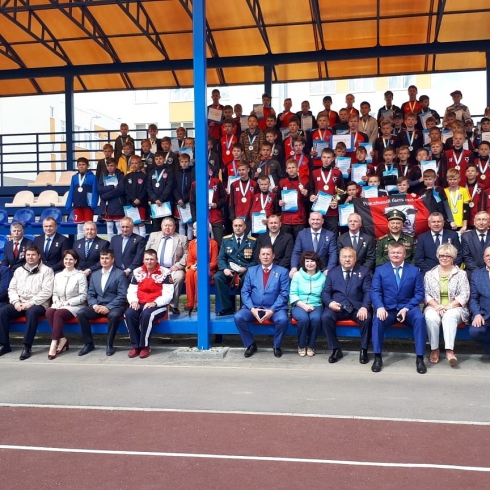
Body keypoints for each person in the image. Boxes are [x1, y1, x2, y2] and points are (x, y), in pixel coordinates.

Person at [371, 242, 427, 374]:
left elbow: (419, 294)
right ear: (388, 254)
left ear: (404, 254)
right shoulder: (380, 270)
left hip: (408, 309)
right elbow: (375, 291)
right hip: (388, 309)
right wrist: (380, 307)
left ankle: (420, 358)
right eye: (393, 252)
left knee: (419, 319)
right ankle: (377, 357)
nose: (395, 255)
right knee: (377, 320)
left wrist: (407, 308)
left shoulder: (414, 270)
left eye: (399, 252)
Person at [234, 245, 289, 358]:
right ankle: (250, 344)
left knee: (283, 320)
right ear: (259, 256)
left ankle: (276, 345)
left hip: (275, 308)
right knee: (238, 317)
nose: (265, 257)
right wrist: (252, 309)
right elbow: (245, 292)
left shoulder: (282, 272)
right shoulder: (251, 271)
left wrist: (272, 310)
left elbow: (284, 294)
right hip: (254, 307)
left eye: (268, 254)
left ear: (273, 256)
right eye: (263, 254)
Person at [0, 245, 54, 360]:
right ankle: (4, 345)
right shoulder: (19, 270)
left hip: (38, 304)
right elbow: (12, 289)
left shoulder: (47, 271)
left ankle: (27, 346)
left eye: (33, 255)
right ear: (25, 256)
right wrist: (15, 302)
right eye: (28, 255)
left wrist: (30, 303)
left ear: (39, 256)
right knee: (3, 311)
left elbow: (47, 292)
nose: (30, 257)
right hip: (20, 303)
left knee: (32, 312)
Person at [321, 247, 372, 364]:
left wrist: (365, 307)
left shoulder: (364, 272)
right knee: (325, 317)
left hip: (357, 307)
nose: (347, 259)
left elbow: (368, 291)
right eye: (344, 257)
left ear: (355, 258)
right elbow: (325, 292)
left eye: (350, 257)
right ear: (340, 259)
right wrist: (330, 303)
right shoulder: (332, 272)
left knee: (367, 319)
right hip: (337, 306)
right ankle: (335, 349)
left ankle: (364, 350)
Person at [423, 243, 469, 367]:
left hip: (455, 307)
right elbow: (426, 294)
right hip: (434, 306)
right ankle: (434, 349)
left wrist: (448, 306)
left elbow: (464, 294)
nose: (444, 258)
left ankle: (449, 350)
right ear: (438, 256)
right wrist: (437, 306)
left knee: (449, 316)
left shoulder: (461, 274)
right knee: (431, 317)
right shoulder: (429, 274)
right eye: (441, 255)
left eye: (448, 256)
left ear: (453, 258)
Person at [77, 249, 128, 357]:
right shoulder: (95, 275)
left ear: (113, 260)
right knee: (81, 313)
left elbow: (122, 295)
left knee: (114, 315)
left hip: (114, 306)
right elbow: (90, 294)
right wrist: (95, 305)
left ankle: (109, 344)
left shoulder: (120, 274)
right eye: (102, 258)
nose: (104, 260)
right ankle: (88, 344)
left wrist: (108, 307)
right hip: (98, 305)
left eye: (107, 258)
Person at [125, 249, 174, 359]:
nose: (149, 262)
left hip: (158, 305)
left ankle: (145, 346)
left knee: (147, 315)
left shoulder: (165, 273)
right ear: (143, 260)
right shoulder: (137, 272)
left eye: (152, 259)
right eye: (147, 259)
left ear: (157, 260)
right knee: (129, 313)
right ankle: (135, 346)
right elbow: (131, 290)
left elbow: (168, 294)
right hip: (140, 303)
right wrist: (133, 301)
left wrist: (155, 303)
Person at [45, 249, 88, 360]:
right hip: (59, 304)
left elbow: (83, 296)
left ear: (75, 261)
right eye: (66, 259)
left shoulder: (80, 276)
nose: (68, 261)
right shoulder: (58, 275)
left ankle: (54, 343)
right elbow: (54, 293)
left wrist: (68, 302)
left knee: (58, 313)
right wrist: (56, 301)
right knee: (49, 312)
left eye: (71, 259)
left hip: (74, 305)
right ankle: (62, 339)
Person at [213, 218, 258, 316]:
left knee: (248, 278)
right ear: (232, 227)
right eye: (235, 225)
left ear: (245, 227)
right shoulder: (226, 240)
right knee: (217, 277)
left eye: (240, 225)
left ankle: (244, 307)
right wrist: (225, 269)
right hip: (230, 269)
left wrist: (246, 268)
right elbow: (221, 258)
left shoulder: (253, 241)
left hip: (245, 270)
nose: (238, 228)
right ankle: (227, 307)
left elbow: (256, 261)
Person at [146, 217, 188, 315]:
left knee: (179, 277)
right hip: (155, 267)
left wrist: (178, 265)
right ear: (161, 226)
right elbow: (147, 251)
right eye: (165, 225)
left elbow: (187, 254)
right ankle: (153, 303)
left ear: (174, 227)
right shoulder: (153, 236)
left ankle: (173, 305)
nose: (167, 228)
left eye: (170, 226)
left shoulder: (182, 238)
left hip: (174, 268)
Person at [290, 251, 325, 357]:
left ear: (317, 263)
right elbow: (292, 294)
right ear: (303, 262)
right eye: (307, 261)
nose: (310, 263)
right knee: (304, 319)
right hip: (299, 304)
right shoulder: (297, 276)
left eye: (312, 261)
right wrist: (304, 305)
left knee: (316, 319)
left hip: (316, 305)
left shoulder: (323, 277)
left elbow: (325, 294)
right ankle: (301, 345)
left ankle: (311, 345)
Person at [290, 211, 338, 278]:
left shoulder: (330, 235)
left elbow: (333, 254)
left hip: (323, 271)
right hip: (305, 271)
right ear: (309, 221)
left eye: (318, 219)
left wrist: (329, 269)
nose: (315, 222)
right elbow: (296, 252)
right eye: (313, 219)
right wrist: (294, 268)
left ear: (322, 221)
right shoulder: (301, 234)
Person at [184, 223, 218, 314]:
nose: (193, 231)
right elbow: (189, 260)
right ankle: (190, 303)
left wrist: (202, 267)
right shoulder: (192, 243)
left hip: (209, 269)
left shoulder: (213, 243)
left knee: (198, 274)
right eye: (194, 228)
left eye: (195, 229)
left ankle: (199, 303)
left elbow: (214, 262)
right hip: (195, 267)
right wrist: (191, 266)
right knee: (189, 273)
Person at [65, 156, 99, 238]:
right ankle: (80, 243)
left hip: (88, 206)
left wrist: (94, 204)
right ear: (77, 166)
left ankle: (90, 241)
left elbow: (95, 191)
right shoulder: (74, 177)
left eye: (83, 164)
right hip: (77, 205)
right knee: (79, 225)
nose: (81, 166)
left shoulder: (93, 177)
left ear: (88, 166)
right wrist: (68, 204)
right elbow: (71, 191)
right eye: (79, 165)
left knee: (89, 226)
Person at [469, 246, 490, 355]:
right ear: (484, 258)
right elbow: (473, 298)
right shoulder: (476, 275)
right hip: (484, 316)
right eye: (487, 255)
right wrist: (477, 314)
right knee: (474, 332)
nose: (489, 258)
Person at [461, 211, 490, 277]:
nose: (481, 222)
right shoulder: (466, 237)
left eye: (484, 219)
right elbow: (466, 257)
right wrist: (479, 273)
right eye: (478, 219)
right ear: (474, 222)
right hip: (473, 272)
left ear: (489, 222)